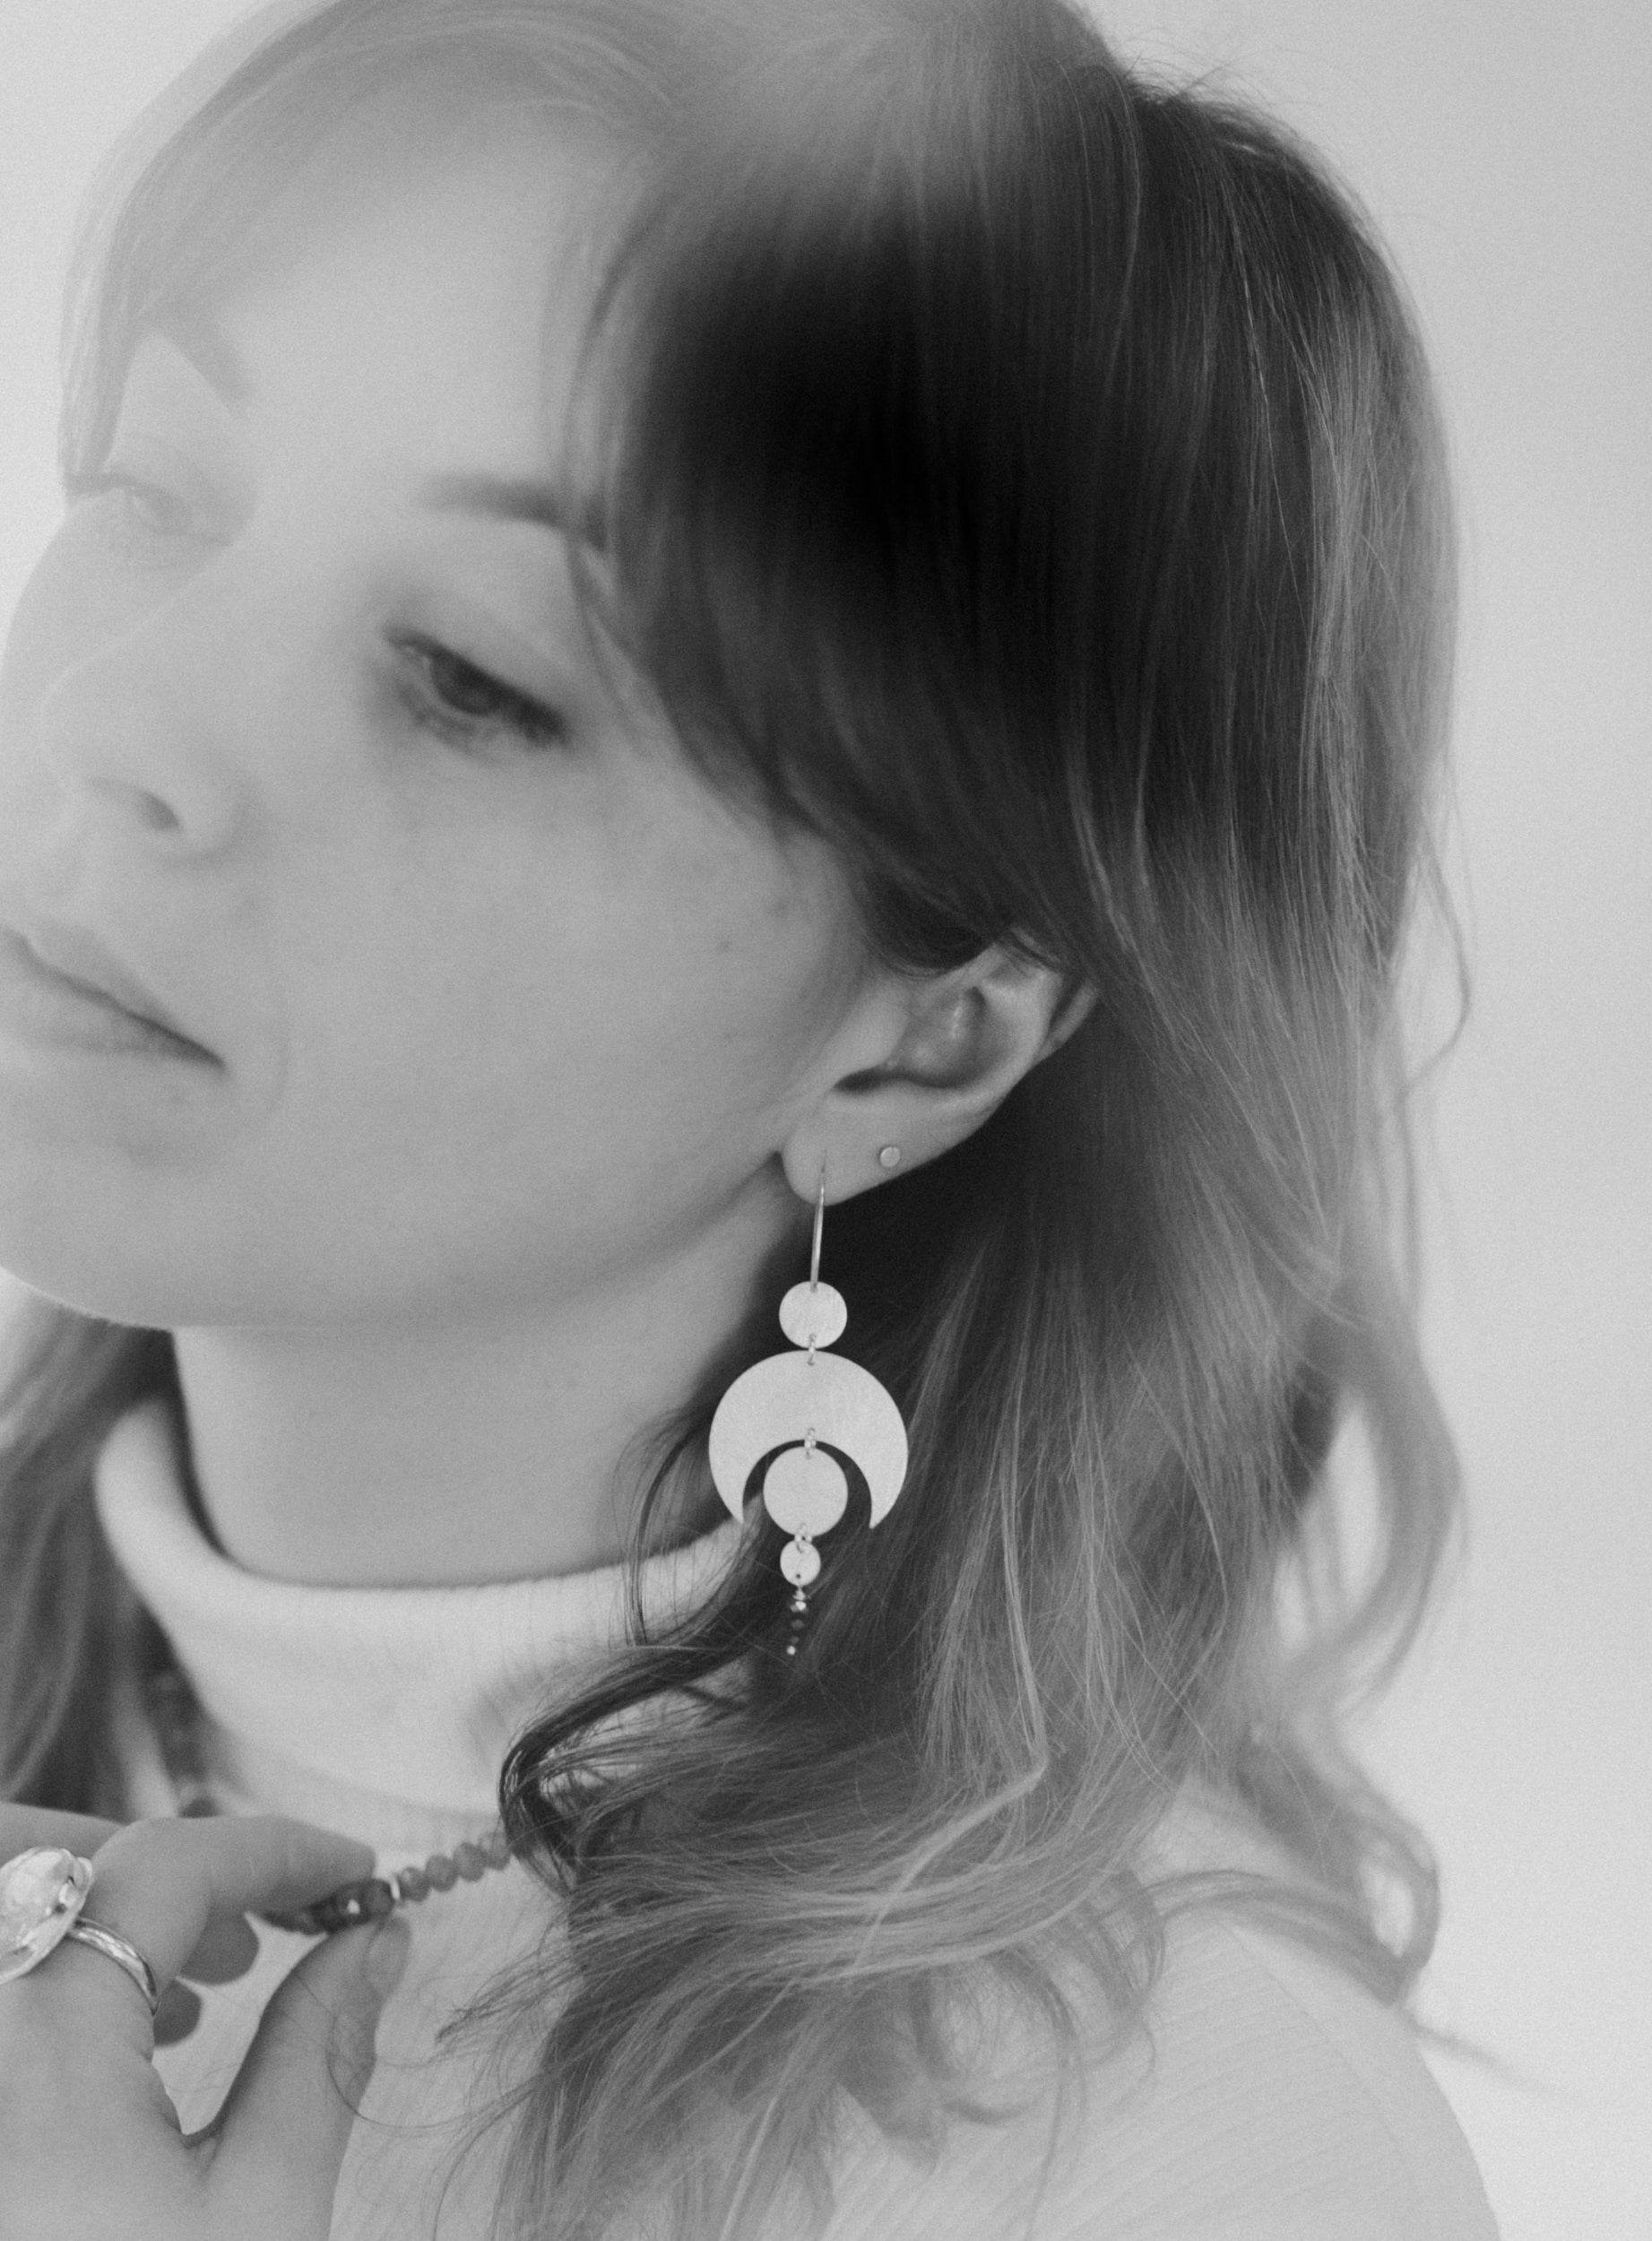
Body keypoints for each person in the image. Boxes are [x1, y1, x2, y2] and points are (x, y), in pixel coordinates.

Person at [0, 0, 1497, 2234]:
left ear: (925, 1043)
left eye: (471, 676)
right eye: (154, 491)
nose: (121, 723)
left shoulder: (1156, 2145)